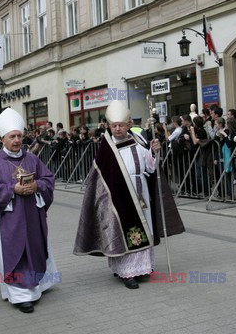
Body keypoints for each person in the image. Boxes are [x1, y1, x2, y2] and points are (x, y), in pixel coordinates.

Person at [73, 100, 184, 289]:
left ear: (128, 125)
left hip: (141, 190)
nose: (118, 129)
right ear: (109, 126)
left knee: (143, 227)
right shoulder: (106, 147)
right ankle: (126, 272)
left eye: (121, 125)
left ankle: (142, 268)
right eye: (114, 125)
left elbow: (149, 167)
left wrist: (153, 152)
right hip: (119, 197)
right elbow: (100, 177)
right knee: (124, 231)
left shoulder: (137, 139)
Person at [0, 108, 57, 314]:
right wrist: (13, 189)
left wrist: (37, 186)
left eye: (19, 136)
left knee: (34, 248)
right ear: (2, 139)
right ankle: (20, 296)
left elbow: (48, 179)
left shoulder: (32, 159)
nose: (16, 140)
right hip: (9, 220)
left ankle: (35, 286)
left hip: (32, 215)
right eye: (12, 136)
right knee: (16, 254)